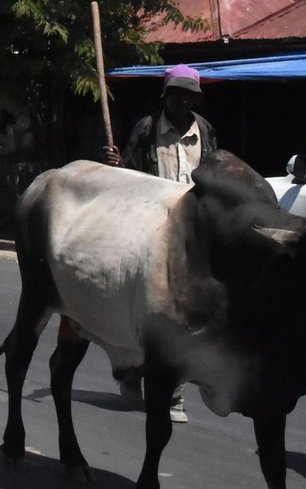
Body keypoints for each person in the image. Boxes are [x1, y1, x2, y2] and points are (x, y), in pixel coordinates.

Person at [102, 63, 218, 423]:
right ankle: (147, 380)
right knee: (154, 310)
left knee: (183, 313)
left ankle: (165, 386)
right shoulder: (146, 129)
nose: (183, 101)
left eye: (189, 95)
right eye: (177, 94)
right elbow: (132, 179)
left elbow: (213, 174)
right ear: (165, 95)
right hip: (154, 226)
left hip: (192, 229)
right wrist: (117, 165)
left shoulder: (205, 132)